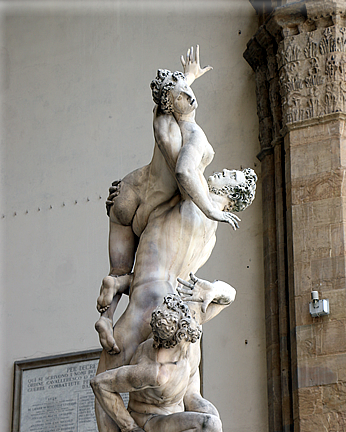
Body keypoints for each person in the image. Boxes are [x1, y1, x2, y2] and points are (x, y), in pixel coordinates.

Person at [93, 168, 257, 432]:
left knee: (106, 376)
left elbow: (176, 167)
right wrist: (210, 290)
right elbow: (228, 293)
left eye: (230, 176)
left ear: (234, 196)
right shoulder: (209, 232)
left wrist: (127, 197)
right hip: (176, 305)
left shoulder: (192, 201)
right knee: (189, 396)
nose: (221, 172)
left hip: (146, 299)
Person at [95, 46, 240, 352]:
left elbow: (171, 93)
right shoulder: (192, 136)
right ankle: (110, 311)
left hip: (129, 192)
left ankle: (106, 319)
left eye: (188, 92)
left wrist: (186, 78)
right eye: (182, 95)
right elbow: (185, 175)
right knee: (145, 272)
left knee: (119, 272)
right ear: (173, 103)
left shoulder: (162, 119)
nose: (189, 97)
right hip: (145, 203)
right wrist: (212, 210)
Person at [91, 278, 246, 432]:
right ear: (172, 341)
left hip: (176, 420)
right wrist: (131, 429)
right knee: (210, 425)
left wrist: (212, 289)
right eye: (186, 342)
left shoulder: (188, 321)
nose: (190, 347)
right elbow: (100, 384)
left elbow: (229, 296)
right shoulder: (154, 371)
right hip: (152, 423)